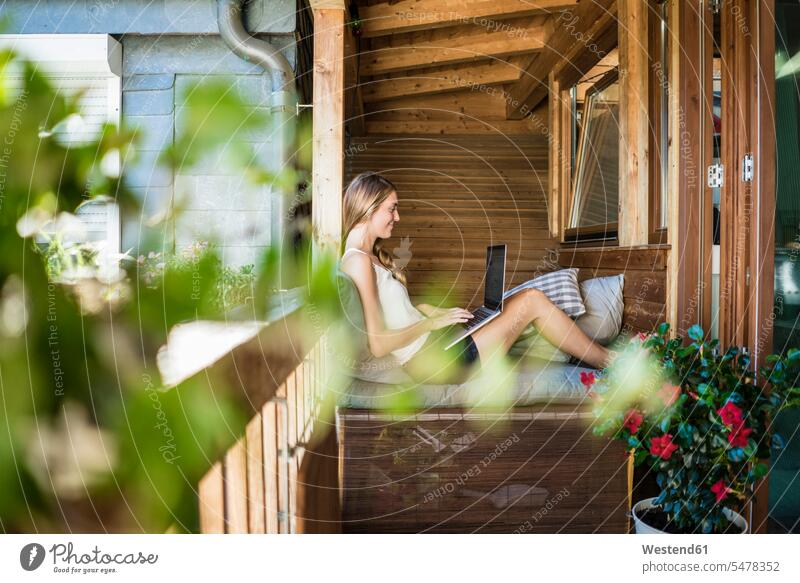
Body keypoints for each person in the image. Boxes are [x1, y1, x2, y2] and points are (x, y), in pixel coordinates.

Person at [339, 172, 614, 385]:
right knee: (531, 300)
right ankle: (611, 362)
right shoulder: (359, 261)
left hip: (439, 347)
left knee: (507, 305)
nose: (397, 217)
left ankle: (600, 360)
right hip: (437, 363)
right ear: (369, 207)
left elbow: (392, 311)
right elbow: (378, 344)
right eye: (392, 208)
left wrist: (428, 311)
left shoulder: (366, 256)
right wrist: (432, 323)